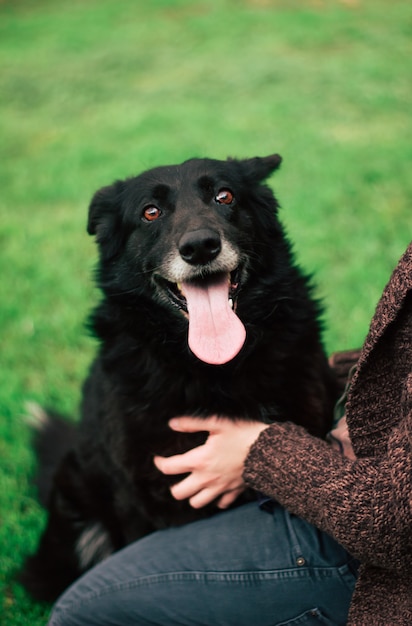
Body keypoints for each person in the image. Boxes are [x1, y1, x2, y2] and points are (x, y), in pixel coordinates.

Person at [49, 242, 412, 626]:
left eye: (222, 197)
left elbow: (389, 524)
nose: (197, 234)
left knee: (81, 611)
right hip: (358, 470)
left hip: (375, 561)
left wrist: (260, 451)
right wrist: (334, 376)